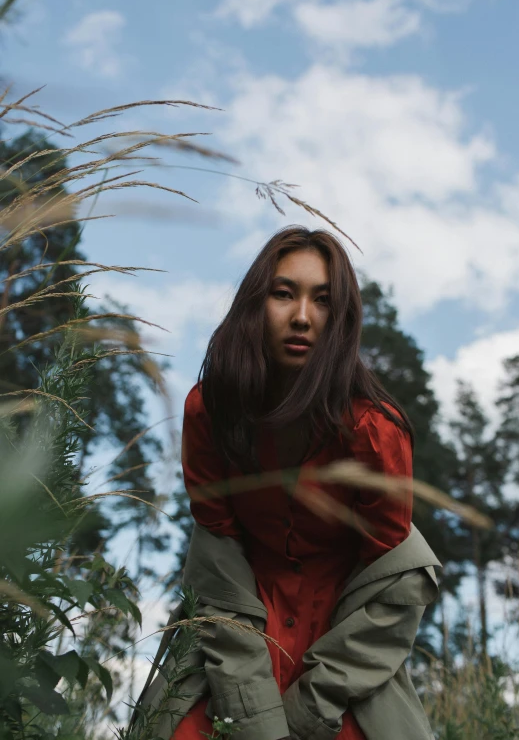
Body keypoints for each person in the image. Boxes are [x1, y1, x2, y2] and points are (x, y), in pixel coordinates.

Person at [136, 226, 440, 740]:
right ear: (256, 304)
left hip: (342, 649)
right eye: (284, 293)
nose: (302, 317)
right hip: (234, 634)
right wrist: (255, 714)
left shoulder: (374, 431)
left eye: (323, 300)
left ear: (341, 319)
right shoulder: (210, 412)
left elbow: (392, 588)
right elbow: (218, 572)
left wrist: (310, 706)